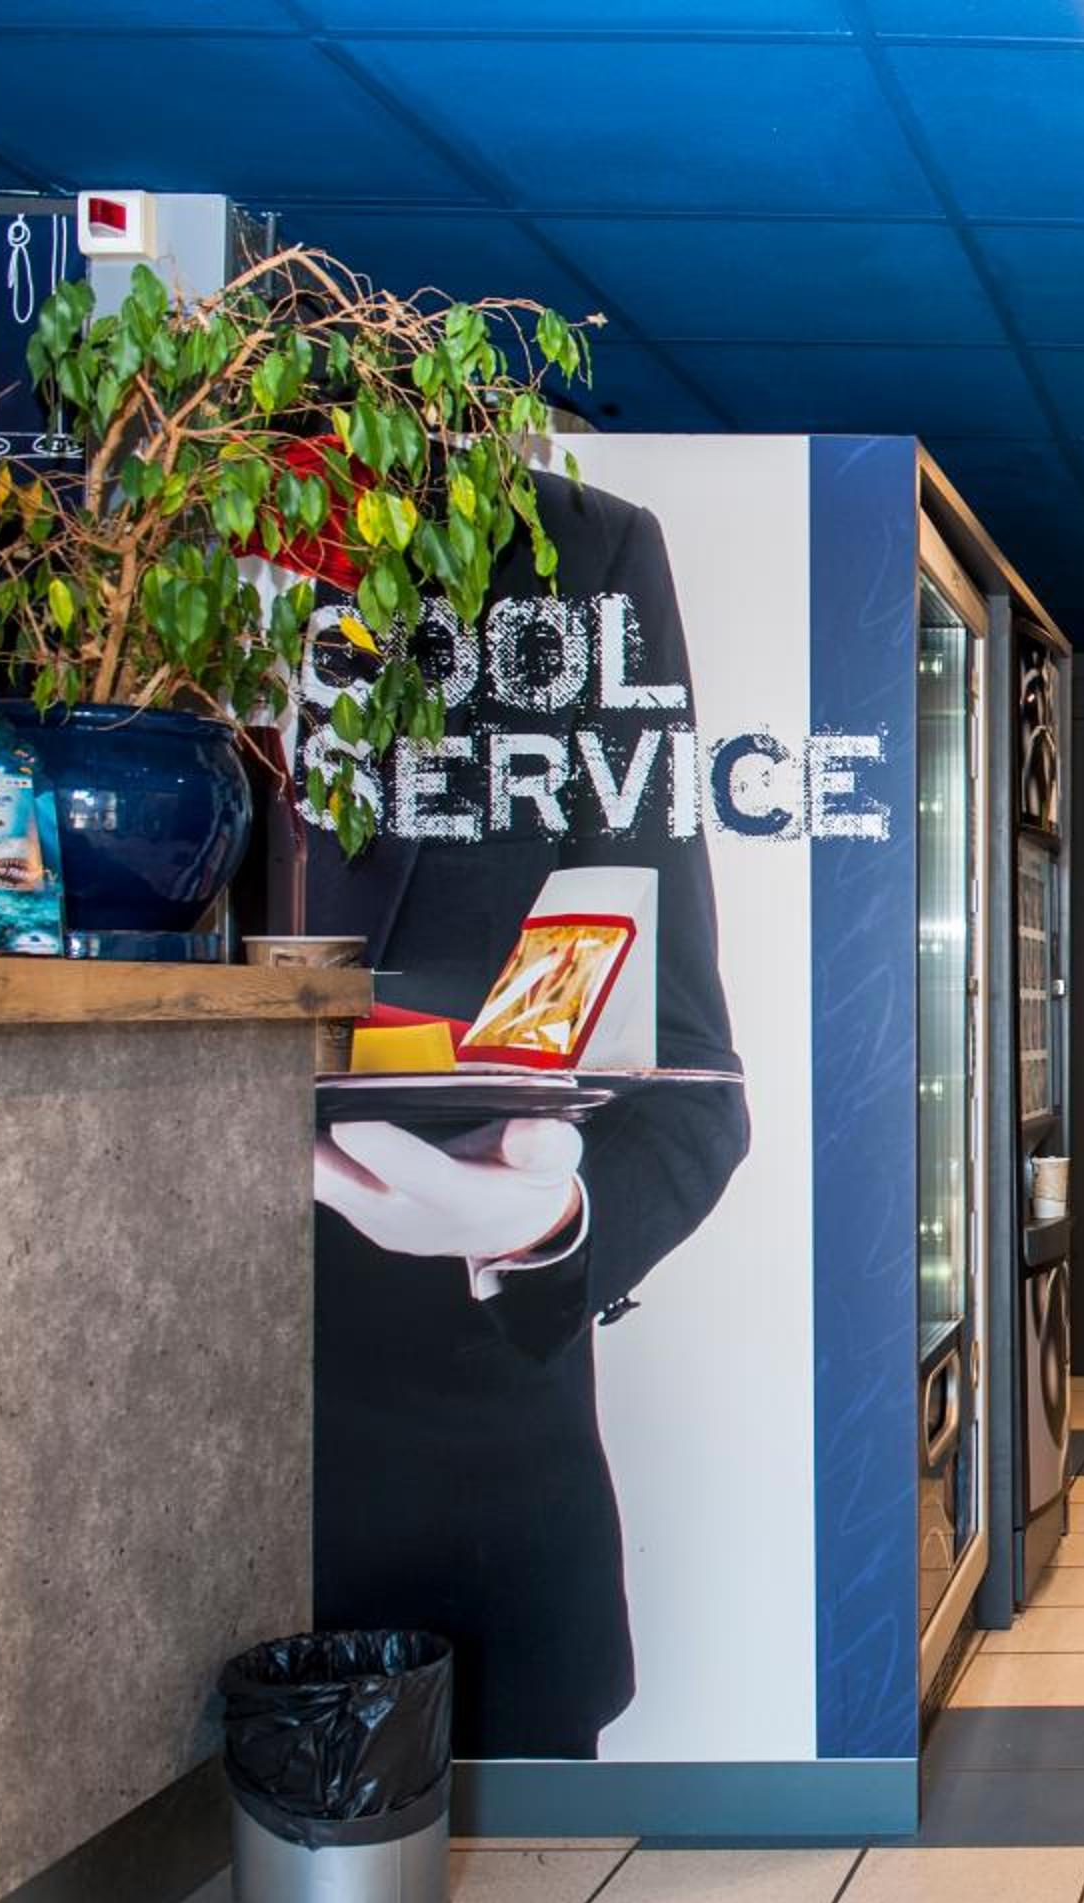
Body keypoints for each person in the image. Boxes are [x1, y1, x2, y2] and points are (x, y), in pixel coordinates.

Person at [307, 471, 748, 1760]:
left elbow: (689, 1087)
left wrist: (541, 1224)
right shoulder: (14, 510)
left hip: (460, 1523)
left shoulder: (568, 556)